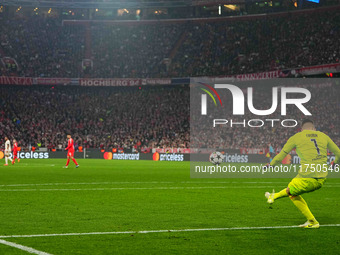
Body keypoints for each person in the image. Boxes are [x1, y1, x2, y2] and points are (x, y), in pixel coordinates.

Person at [265, 119, 340, 228]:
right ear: (313, 128)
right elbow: (338, 152)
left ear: (302, 129)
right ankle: (273, 196)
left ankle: (312, 221)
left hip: (308, 176)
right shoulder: (323, 136)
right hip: (322, 177)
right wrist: (334, 162)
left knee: (291, 192)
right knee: (290, 188)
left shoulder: (297, 137)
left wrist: (270, 165)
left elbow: (281, 156)